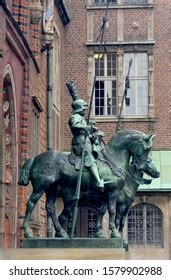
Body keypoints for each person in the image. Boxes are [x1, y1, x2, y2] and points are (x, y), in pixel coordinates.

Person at [67, 81, 104, 191]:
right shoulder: (75, 117)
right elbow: (74, 125)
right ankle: (98, 181)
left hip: (85, 140)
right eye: (84, 109)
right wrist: (88, 128)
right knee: (90, 159)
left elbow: (86, 131)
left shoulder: (81, 118)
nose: (85, 111)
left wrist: (93, 134)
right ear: (80, 109)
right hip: (80, 142)